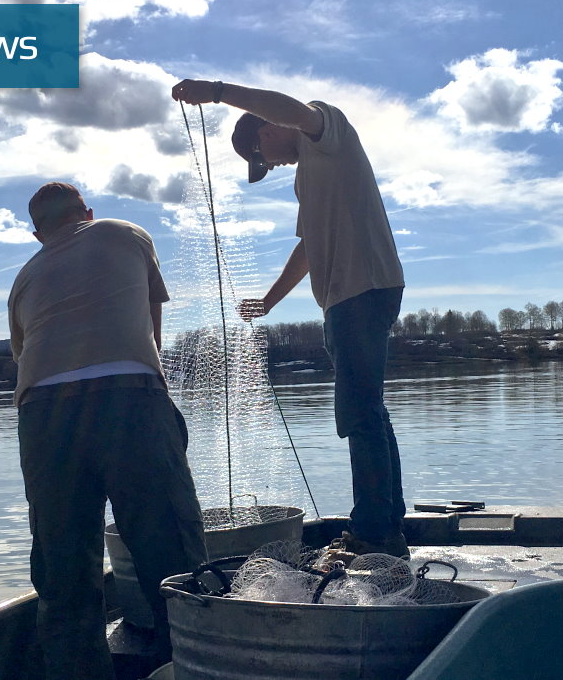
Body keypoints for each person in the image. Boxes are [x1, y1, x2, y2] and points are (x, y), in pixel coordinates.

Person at [170, 79, 409, 558]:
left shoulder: (326, 130)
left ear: (268, 128)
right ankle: (385, 523)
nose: (270, 166)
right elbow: (307, 248)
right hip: (346, 297)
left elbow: (289, 108)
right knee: (370, 413)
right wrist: (271, 301)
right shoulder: (308, 178)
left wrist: (216, 92)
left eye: (261, 156)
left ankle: (375, 536)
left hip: (362, 291)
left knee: (357, 416)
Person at [8, 182, 208, 679]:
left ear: (38, 234)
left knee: (63, 570)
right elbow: (151, 329)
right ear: (88, 213)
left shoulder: (23, 279)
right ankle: (193, 666)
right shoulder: (125, 234)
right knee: (171, 552)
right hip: (128, 397)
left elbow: (25, 361)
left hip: (43, 415)